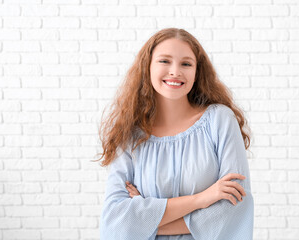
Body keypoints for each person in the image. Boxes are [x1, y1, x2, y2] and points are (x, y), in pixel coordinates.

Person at [97, 28, 254, 240]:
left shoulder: (220, 121)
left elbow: (234, 210)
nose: (175, 71)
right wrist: (203, 198)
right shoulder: (129, 134)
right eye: (164, 61)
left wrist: (147, 222)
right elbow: (114, 221)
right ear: (147, 67)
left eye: (186, 64)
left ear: (197, 72)